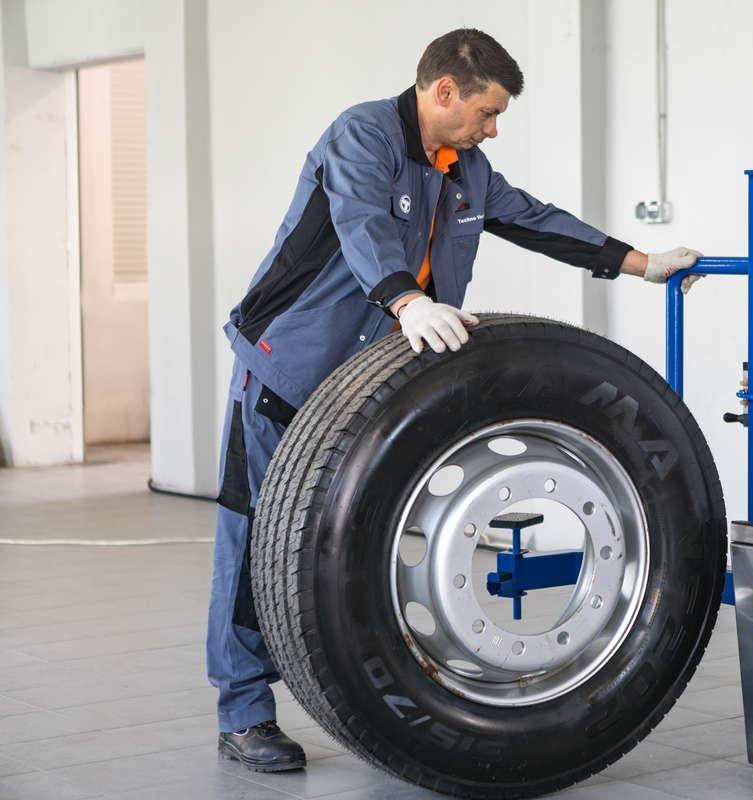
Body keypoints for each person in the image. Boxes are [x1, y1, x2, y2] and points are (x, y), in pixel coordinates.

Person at [207, 27, 703, 772]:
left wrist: (641, 264)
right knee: (256, 540)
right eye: (487, 112)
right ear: (445, 92)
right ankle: (243, 713)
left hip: (373, 382)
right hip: (290, 368)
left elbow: (534, 219)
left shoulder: (467, 169)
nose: (493, 129)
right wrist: (408, 301)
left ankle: (367, 696)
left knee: (354, 544)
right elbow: (362, 225)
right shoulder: (362, 136)